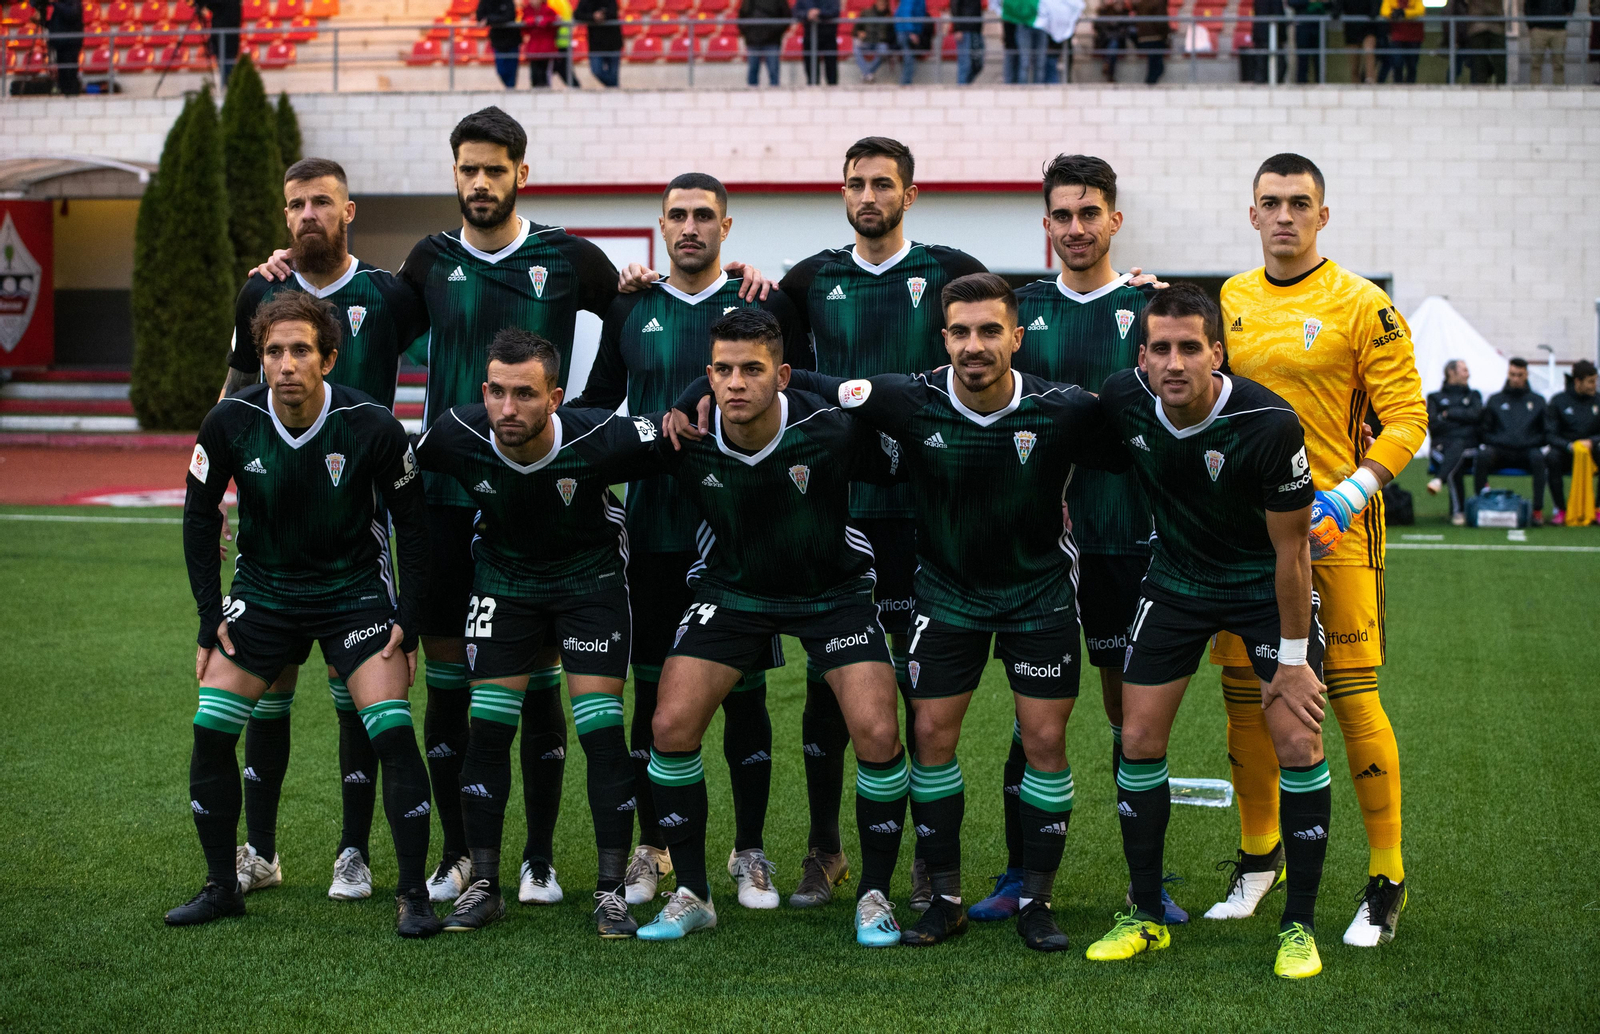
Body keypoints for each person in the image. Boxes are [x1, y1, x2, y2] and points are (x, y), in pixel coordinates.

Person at [251, 108, 625, 909]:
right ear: (453, 174)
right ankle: (460, 852)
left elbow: (630, 314)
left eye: (495, 169)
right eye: (467, 169)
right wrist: (290, 272)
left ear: (522, 174)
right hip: (446, 496)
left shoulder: (568, 257)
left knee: (540, 683)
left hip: (544, 496)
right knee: (453, 683)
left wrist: (587, 418)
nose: (480, 183)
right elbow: (351, 325)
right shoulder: (429, 261)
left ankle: (539, 861)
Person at [774, 273, 1130, 952]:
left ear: (1017, 338)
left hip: (1040, 594)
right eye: (962, 332)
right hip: (947, 595)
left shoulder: (1064, 408)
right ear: (944, 339)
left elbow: (1139, 433)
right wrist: (694, 396)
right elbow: (814, 384)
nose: (975, 345)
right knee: (932, 738)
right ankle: (946, 899)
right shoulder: (908, 397)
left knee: (1045, 744)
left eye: (990, 331)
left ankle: (1037, 900)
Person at [567, 172, 805, 910]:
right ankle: (652, 845)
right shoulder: (631, 304)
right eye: (678, 215)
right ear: (661, 226)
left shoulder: (761, 305)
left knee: (745, 693)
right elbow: (597, 410)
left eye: (705, 215)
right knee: (651, 689)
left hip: (741, 531)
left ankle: (751, 848)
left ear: (727, 228)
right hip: (653, 533)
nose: (691, 226)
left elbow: (794, 400)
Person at [637, 308, 911, 948]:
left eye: (753, 370)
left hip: (832, 592)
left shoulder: (832, 432)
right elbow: (592, 446)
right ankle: (695, 893)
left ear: (782, 375)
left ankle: (874, 892)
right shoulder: (687, 441)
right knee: (669, 725)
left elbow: (908, 452)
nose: (736, 383)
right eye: (724, 371)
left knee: (876, 729)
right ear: (708, 375)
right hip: (732, 592)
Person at [1207, 154, 1425, 950]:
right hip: (1242, 537)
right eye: (1272, 203)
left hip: (1332, 534)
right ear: (1253, 213)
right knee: (1245, 693)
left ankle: (1386, 876)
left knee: (1350, 695)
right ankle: (1259, 859)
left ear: (1323, 216)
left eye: (1301, 203)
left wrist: (1351, 492)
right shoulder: (1228, 300)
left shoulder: (1365, 304)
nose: (1286, 216)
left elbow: (1406, 419)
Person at [1083, 284, 1332, 981]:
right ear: (1142, 358)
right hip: (1176, 582)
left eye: (1190, 347)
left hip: (1263, 587)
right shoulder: (1122, 399)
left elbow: (1292, 555)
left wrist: (1290, 662)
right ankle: (1145, 915)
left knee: (1297, 736)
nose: (1175, 362)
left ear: (1215, 353)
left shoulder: (1267, 423)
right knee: (1137, 738)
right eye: (1160, 348)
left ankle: (1299, 926)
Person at [169, 293, 437, 939]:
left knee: (392, 731)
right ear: (259, 359)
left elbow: (418, 525)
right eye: (273, 352)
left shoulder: (371, 425)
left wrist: (411, 616)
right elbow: (199, 518)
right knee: (210, 731)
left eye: (299, 351)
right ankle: (221, 886)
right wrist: (211, 617)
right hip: (263, 594)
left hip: (354, 595)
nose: (285, 365)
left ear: (329, 357)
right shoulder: (228, 422)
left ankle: (412, 896)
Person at [777, 137, 987, 913]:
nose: (868, 196)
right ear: (841, 191)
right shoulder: (807, 280)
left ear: (910, 193)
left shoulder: (950, 270)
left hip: (932, 510)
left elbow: (1007, 325)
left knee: (924, 685)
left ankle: (931, 859)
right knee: (828, 685)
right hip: (837, 512)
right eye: (856, 184)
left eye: (882, 184)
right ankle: (826, 849)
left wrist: (1133, 284)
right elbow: (771, 360)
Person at [219, 158, 429, 904]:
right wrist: (213, 477)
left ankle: (353, 853)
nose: (307, 214)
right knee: (269, 687)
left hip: (357, 520)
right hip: (276, 520)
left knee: (355, 689)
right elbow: (238, 389)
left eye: (321, 202)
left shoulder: (390, 293)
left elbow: (461, 343)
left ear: (349, 211)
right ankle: (260, 851)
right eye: (295, 204)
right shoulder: (263, 290)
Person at [415, 330, 670, 937]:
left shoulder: (600, 435)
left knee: (603, 733)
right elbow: (391, 472)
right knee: (489, 731)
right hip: (503, 581)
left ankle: (610, 893)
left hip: (591, 582)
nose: (508, 409)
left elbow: (685, 436)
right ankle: (483, 885)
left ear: (554, 397)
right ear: (484, 391)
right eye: (497, 392)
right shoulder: (457, 432)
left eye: (525, 394)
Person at [992, 154, 1189, 927]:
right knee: (1032, 712)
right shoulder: (1022, 309)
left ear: (1114, 220)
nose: (1076, 228)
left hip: (1123, 539)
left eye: (1089, 213)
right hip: (1035, 545)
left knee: (1127, 713)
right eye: (1062, 216)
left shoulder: (1152, 311)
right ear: (1046, 226)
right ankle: (1017, 873)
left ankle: (1147, 884)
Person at [1474, 358, 1549, 523]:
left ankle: (1537, 510)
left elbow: (1545, 434)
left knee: (1538, 458)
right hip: (1501, 451)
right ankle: (1481, 504)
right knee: (1483, 455)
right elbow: (1484, 432)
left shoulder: (1538, 401)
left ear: (1526, 375)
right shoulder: (1495, 400)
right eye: (1512, 374)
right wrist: (1503, 440)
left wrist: (1527, 441)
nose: (1515, 379)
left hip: (1527, 451)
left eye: (1519, 375)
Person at [1425, 359, 1482, 527]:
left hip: (1469, 448)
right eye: (1464, 370)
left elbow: (1476, 417)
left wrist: (1448, 414)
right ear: (1451, 372)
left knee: (1457, 450)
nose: (1468, 374)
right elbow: (1433, 425)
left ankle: (1440, 483)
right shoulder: (1434, 397)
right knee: (1455, 458)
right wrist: (1463, 420)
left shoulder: (1474, 395)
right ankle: (1459, 511)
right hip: (1440, 448)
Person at [1544, 360, 1600, 526]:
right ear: (1577, 381)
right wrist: (1570, 446)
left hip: (1591, 452)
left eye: (1595, 381)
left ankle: (1597, 509)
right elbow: (1550, 435)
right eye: (1590, 381)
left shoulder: (1598, 400)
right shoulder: (1558, 401)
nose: (1594, 385)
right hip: (1567, 452)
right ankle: (1561, 510)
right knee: (1552, 457)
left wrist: (1592, 441)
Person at [28, 0, 82, 96]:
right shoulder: (58, 5)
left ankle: (71, 95)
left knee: (69, 73)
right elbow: (55, 24)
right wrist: (42, 20)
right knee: (62, 75)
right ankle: (64, 92)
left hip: (70, 43)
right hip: (59, 43)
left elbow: (72, 14)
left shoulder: (72, 3)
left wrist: (55, 3)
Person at [740, 0, 791, 85]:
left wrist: (775, 31)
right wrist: (748, 33)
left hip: (772, 41)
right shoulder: (748, 1)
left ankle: (775, 96)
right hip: (753, 41)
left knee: (773, 71)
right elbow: (742, 17)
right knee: (753, 71)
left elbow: (786, 17)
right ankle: (750, 96)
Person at [1525, 0, 1575, 83]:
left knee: (1559, 65)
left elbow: (1571, 3)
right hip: (1539, 28)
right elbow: (1528, 5)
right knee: (1536, 64)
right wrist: (1531, 25)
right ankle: (1534, 92)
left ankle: (1559, 93)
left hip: (1559, 29)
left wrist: (1567, 14)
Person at [1457, 0, 1506, 83]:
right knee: (1497, 62)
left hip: (1478, 25)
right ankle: (1500, 88)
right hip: (1494, 25)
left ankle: (1481, 87)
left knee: (1480, 63)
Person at [575, 0, 621, 86]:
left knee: (613, 74)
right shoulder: (586, 2)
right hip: (596, 43)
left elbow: (613, 12)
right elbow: (577, 14)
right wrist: (592, 16)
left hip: (613, 42)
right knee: (597, 70)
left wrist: (602, 16)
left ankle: (614, 92)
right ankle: (614, 88)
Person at [479, 0, 524, 88]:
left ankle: (511, 91)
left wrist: (490, 19)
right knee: (501, 70)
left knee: (511, 70)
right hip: (497, 41)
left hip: (511, 40)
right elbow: (480, 16)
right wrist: (496, 19)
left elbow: (509, 16)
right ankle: (509, 88)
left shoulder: (508, 2)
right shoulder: (485, 2)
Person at [794, 0, 841, 83]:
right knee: (811, 69)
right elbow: (796, 12)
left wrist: (819, 13)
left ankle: (833, 91)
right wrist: (807, 15)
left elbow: (835, 11)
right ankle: (812, 91)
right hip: (810, 36)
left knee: (831, 68)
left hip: (828, 35)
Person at [1376, 0, 1423, 82]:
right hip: (1396, 36)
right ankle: (1398, 88)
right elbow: (1384, 11)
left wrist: (1404, 13)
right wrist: (1393, 14)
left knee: (1412, 66)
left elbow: (1421, 11)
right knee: (1397, 64)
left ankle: (1410, 89)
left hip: (1414, 37)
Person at [199, 0, 241, 84]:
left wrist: (201, 3)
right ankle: (228, 85)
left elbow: (213, 4)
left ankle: (229, 86)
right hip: (224, 31)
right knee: (224, 61)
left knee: (227, 63)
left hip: (226, 33)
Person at [1342, 0, 1384, 83]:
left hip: (1369, 28)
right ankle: (1355, 89)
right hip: (1352, 29)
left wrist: (1374, 10)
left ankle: (1371, 83)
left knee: (1369, 52)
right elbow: (1338, 6)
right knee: (1354, 66)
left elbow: (1377, 7)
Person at [522, 0, 562, 87]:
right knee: (534, 75)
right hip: (534, 49)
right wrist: (533, 21)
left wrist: (543, 21)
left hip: (546, 48)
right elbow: (524, 26)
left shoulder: (548, 10)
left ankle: (546, 95)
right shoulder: (527, 10)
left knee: (545, 75)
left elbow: (556, 20)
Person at [854, 0, 896, 81]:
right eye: (880, 3)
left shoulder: (889, 16)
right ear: (876, 3)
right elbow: (856, 29)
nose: (882, 6)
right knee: (856, 48)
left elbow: (892, 34)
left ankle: (867, 73)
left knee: (884, 50)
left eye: (884, 4)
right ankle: (868, 74)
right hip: (867, 41)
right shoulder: (866, 13)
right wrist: (859, 33)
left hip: (880, 42)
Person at [1286, 0, 1327, 82]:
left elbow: (1332, 6)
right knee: (1302, 60)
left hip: (1319, 27)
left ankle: (1320, 86)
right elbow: (1291, 2)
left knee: (1319, 60)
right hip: (1303, 26)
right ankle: (1301, 86)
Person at [949, 0, 986, 83]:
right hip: (964, 30)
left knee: (978, 63)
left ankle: (966, 86)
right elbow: (954, 6)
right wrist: (958, 28)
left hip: (976, 30)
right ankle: (962, 88)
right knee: (965, 64)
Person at [894, 0, 930, 83]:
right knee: (909, 59)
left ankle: (906, 83)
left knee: (909, 59)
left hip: (910, 31)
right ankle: (904, 84)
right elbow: (906, 13)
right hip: (906, 31)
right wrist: (911, 32)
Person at [1133, 0, 1168, 82]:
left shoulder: (1142, 3)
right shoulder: (1159, 3)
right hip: (1155, 38)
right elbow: (1161, 23)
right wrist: (1165, 36)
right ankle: (1149, 86)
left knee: (1154, 65)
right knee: (1157, 68)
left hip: (1142, 38)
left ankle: (1149, 85)